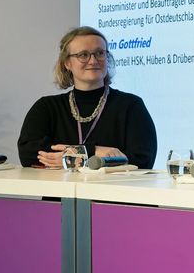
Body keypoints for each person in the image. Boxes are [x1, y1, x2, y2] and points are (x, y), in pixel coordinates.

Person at [18, 26, 157, 168]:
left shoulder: (131, 106)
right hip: (59, 190)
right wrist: (93, 151)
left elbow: (142, 159)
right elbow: (27, 153)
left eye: (100, 53)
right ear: (67, 63)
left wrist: (71, 158)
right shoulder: (47, 107)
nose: (93, 61)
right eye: (83, 55)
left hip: (109, 190)